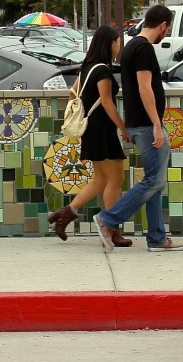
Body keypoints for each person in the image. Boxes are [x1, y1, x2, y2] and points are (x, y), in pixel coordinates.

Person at [94, 4, 183, 253]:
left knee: (156, 183)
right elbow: (145, 88)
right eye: (168, 29)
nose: (166, 33)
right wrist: (156, 125)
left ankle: (157, 238)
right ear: (163, 25)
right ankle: (108, 219)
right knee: (153, 180)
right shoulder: (143, 48)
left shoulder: (131, 46)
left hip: (136, 123)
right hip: (146, 125)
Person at [47, 26, 131, 246]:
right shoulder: (103, 71)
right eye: (117, 42)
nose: (119, 46)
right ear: (109, 43)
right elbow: (107, 102)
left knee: (101, 179)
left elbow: (72, 93)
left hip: (90, 128)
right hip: (103, 129)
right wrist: (123, 127)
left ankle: (65, 215)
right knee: (116, 180)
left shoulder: (86, 68)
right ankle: (111, 229)